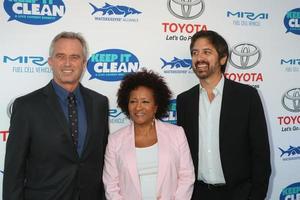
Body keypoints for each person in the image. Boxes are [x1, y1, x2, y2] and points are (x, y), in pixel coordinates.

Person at [3, 31, 109, 200]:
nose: (68, 63)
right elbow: (13, 171)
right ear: (50, 62)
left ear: (84, 63)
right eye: (61, 56)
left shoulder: (99, 103)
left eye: (75, 57)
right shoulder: (26, 106)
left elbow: (104, 159)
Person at [176, 30, 271, 200]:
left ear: (223, 58)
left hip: (239, 194)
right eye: (195, 53)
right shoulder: (184, 101)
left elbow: (260, 155)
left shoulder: (247, 96)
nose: (199, 58)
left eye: (207, 52)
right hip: (197, 194)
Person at [103, 69, 195, 199]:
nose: (138, 107)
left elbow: (186, 176)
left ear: (156, 107)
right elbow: (111, 184)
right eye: (133, 101)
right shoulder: (115, 140)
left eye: (145, 101)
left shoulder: (176, 134)